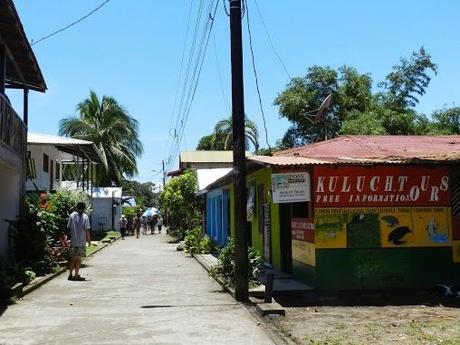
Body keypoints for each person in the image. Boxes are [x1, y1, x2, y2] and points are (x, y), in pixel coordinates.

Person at [67, 202, 92, 281]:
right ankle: (76, 275)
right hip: (81, 242)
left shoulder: (71, 215)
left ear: (76, 207)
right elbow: (87, 230)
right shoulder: (85, 217)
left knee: (72, 259)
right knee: (78, 259)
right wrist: (89, 240)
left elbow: (69, 227)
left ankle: (70, 275)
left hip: (73, 241)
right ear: (84, 208)